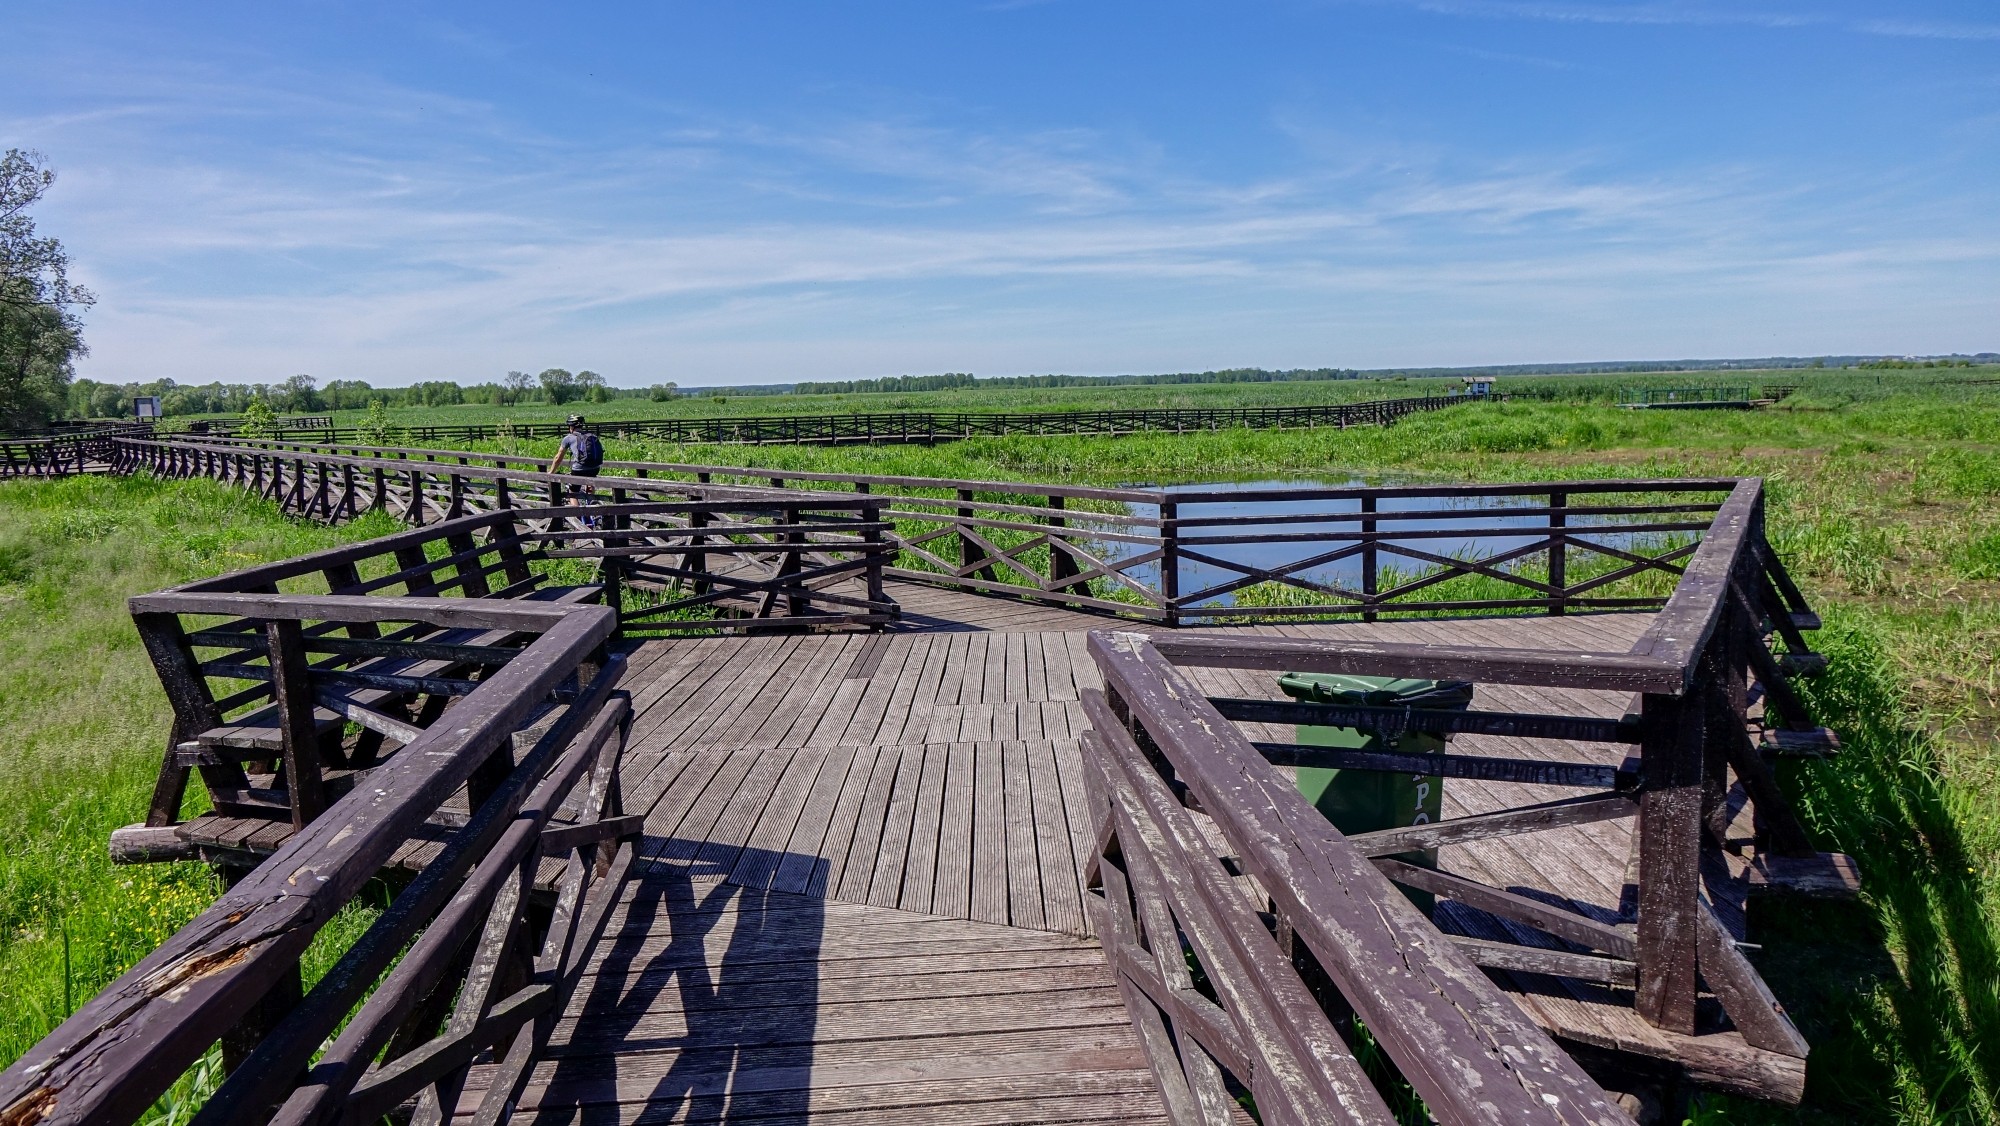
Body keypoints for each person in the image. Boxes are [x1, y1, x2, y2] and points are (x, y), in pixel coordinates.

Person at [548, 414, 605, 526]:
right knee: (590, 484)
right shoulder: (592, 435)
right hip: (595, 468)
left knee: (573, 492)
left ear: (570, 427)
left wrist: (551, 472)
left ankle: (577, 518)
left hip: (579, 469)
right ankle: (591, 505)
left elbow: (558, 457)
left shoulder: (568, 438)